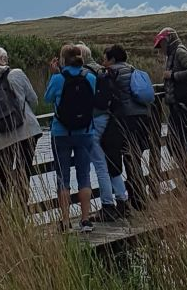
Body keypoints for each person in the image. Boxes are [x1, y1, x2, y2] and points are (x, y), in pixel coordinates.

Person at [0, 45, 42, 204]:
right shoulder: (17, 74)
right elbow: (33, 100)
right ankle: (21, 212)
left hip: (1, 138)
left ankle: (2, 216)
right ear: (2, 60)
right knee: (24, 173)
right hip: (27, 132)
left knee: (3, 179)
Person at [44, 44, 98, 233]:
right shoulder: (90, 77)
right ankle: (85, 220)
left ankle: (66, 221)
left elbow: (47, 99)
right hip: (85, 132)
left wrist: (53, 74)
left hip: (61, 133)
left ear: (62, 60)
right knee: (84, 176)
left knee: (62, 177)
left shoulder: (58, 79)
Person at [76, 43, 128, 222]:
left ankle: (107, 206)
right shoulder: (101, 70)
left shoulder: (84, 73)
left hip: (94, 121)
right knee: (111, 161)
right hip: (108, 118)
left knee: (100, 164)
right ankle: (122, 201)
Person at [103, 44, 152, 211]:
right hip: (143, 117)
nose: (103, 62)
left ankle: (133, 199)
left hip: (125, 119)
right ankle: (139, 198)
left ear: (112, 59)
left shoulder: (111, 73)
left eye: (105, 59)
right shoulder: (133, 70)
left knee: (127, 157)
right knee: (135, 157)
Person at [153, 27, 187, 187]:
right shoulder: (173, 53)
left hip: (182, 102)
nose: (161, 48)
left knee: (176, 141)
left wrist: (172, 75)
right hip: (177, 103)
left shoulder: (179, 51)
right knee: (177, 141)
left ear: (168, 40)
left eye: (162, 44)